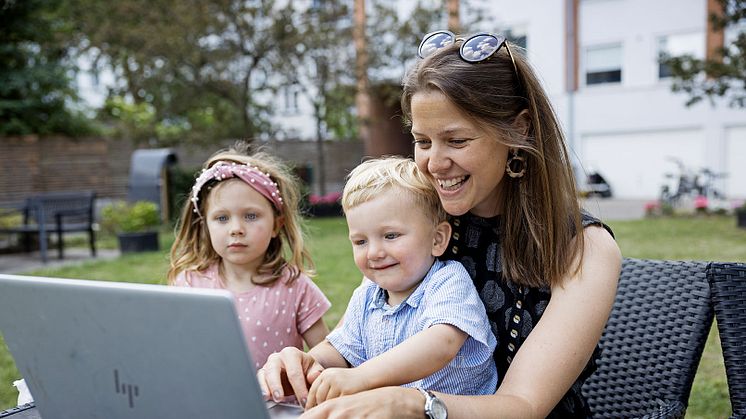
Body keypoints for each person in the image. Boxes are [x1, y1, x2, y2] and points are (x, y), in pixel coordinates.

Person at [258, 29, 621, 419]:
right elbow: (351, 341)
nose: (434, 164)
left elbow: (524, 406)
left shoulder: (583, 248)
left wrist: (414, 403)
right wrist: (304, 365)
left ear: (519, 129)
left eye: (457, 140)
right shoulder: (418, 223)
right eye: (423, 141)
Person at [297, 157, 498, 409]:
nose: (374, 253)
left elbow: (441, 344)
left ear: (437, 239)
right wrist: (306, 364)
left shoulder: (447, 281)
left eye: (390, 236)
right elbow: (341, 350)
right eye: (360, 242)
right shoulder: (368, 294)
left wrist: (361, 376)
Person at [168, 142, 331, 369]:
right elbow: (174, 350)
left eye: (251, 216)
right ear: (205, 226)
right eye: (222, 218)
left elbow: (327, 359)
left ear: (277, 225)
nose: (236, 228)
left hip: (281, 404)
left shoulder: (295, 287)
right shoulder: (189, 283)